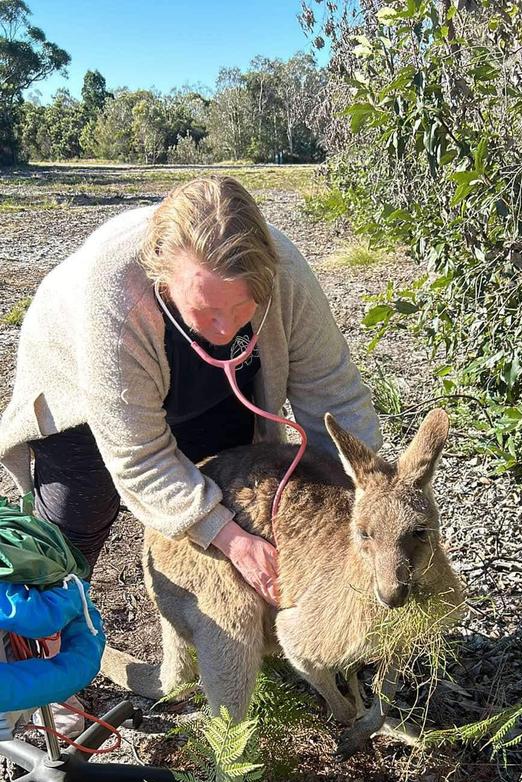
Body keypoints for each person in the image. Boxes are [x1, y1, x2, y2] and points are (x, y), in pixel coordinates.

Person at [0, 176, 381, 609]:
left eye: (241, 309)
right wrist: (228, 538)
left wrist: (360, 501)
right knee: (75, 527)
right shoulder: (113, 295)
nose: (224, 330)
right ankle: (38, 644)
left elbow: (336, 397)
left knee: (241, 491)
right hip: (81, 382)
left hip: (206, 380)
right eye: (207, 310)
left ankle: (256, 638)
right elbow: (138, 457)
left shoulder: (286, 274)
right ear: (163, 274)